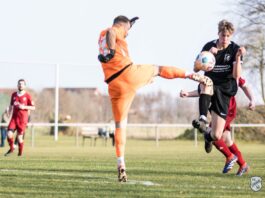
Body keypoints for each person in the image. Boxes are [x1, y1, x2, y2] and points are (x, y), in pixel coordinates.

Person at [97, 15, 213, 182]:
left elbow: (111, 34)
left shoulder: (101, 35)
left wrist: (128, 27)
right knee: (159, 69)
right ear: (123, 26)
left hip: (114, 85)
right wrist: (112, 51)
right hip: (128, 74)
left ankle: (121, 163)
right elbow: (112, 32)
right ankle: (194, 76)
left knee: (120, 125)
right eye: (128, 30)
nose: (128, 33)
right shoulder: (112, 31)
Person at [191, 19, 246, 174]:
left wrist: (237, 59)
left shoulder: (235, 49)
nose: (225, 39)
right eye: (223, 35)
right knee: (205, 82)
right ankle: (202, 118)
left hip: (225, 91)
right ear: (218, 33)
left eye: (228, 36)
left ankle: (212, 140)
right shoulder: (209, 46)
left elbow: (236, 76)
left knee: (217, 135)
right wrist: (206, 56)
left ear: (231, 35)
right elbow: (195, 68)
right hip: (211, 87)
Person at [180, 76, 254, 176]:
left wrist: (252, 100)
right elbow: (202, 91)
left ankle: (229, 157)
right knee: (226, 140)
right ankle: (243, 165)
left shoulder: (228, 71)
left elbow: (244, 85)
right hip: (218, 109)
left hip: (227, 109)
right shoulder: (209, 75)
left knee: (214, 134)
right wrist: (188, 94)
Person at [5, 79, 35, 156]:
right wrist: (9, 110)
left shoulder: (27, 96)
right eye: (19, 84)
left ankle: (20, 153)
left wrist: (24, 106)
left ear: (24, 86)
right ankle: (12, 148)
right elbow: (11, 105)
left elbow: (33, 107)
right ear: (17, 85)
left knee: (19, 138)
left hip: (22, 120)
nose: (20, 85)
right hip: (14, 119)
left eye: (22, 84)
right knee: (9, 134)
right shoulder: (14, 94)